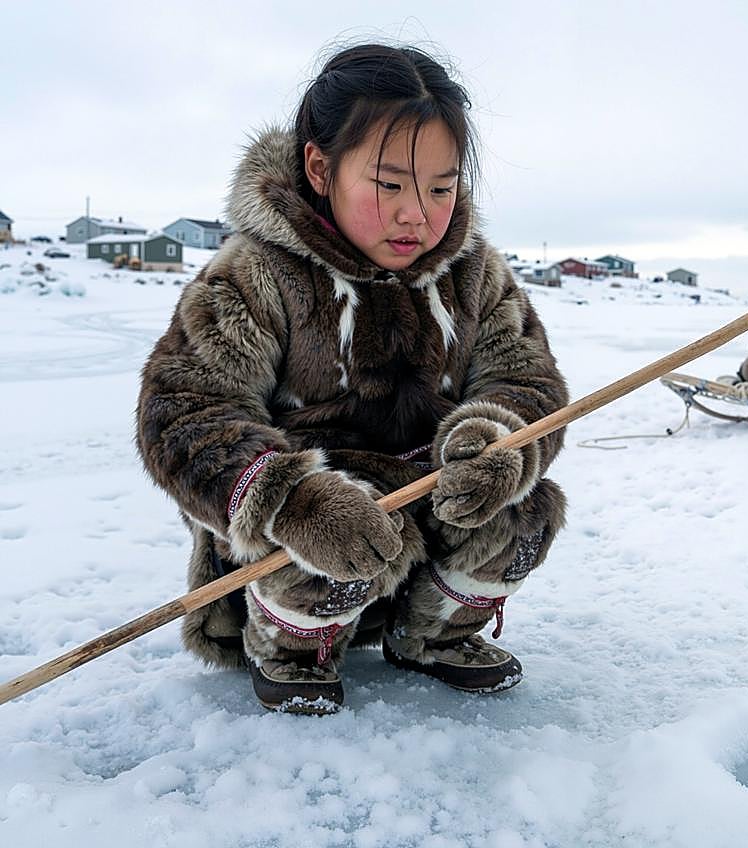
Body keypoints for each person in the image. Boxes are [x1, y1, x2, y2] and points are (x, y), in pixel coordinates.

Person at [137, 43, 568, 715]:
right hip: (303, 542)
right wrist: (290, 504)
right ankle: (291, 648)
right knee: (321, 532)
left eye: (441, 187)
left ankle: (432, 634)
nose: (417, 214)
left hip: (430, 514)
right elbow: (184, 409)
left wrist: (498, 443)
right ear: (320, 166)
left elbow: (529, 379)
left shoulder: (476, 272)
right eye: (389, 184)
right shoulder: (255, 273)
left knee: (527, 512)